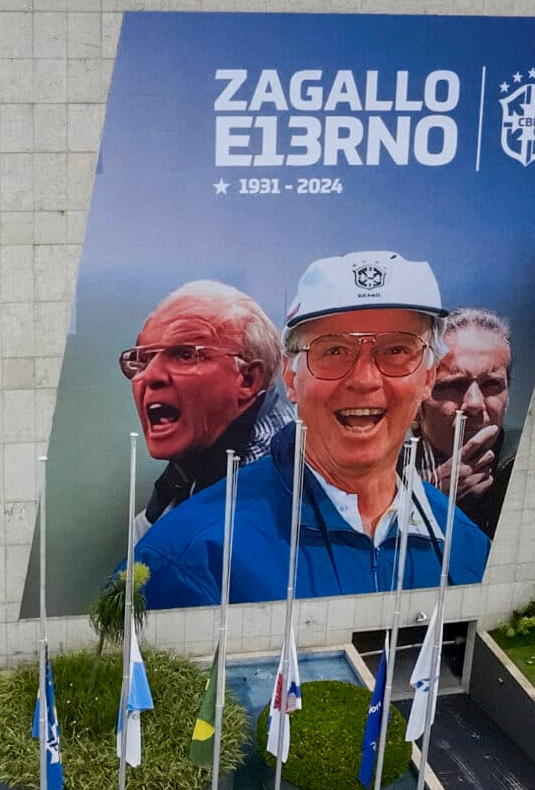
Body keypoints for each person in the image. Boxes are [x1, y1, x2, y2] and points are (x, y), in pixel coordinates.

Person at [134, 251, 489, 609]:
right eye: (333, 350)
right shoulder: (188, 558)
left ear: (428, 377)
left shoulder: (465, 546)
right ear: (291, 378)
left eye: (396, 350)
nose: (364, 380)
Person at [120, 281, 293, 541]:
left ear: (247, 379)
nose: (149, 376)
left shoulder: (291, 494)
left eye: (186, 355)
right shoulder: (169, 498)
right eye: (142, 360)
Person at [415, 308, 514, 538]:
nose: (475, 403)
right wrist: (429, 501)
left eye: (491, 385)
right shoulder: (380, 476)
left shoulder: (529, 461)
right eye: (454, 385)